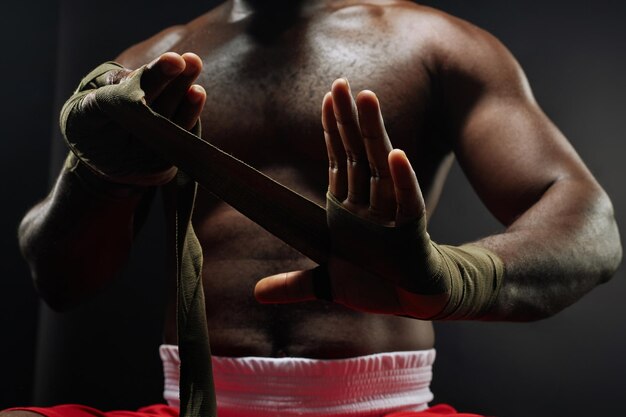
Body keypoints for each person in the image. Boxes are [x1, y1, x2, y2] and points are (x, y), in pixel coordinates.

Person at [3, 0, 621, 416]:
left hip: (387, 406)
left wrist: (457, 276)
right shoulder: (150, 64)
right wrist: (100, 178)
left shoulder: (435, 44)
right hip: (195, 403)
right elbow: (58, 279)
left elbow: (588, 226)